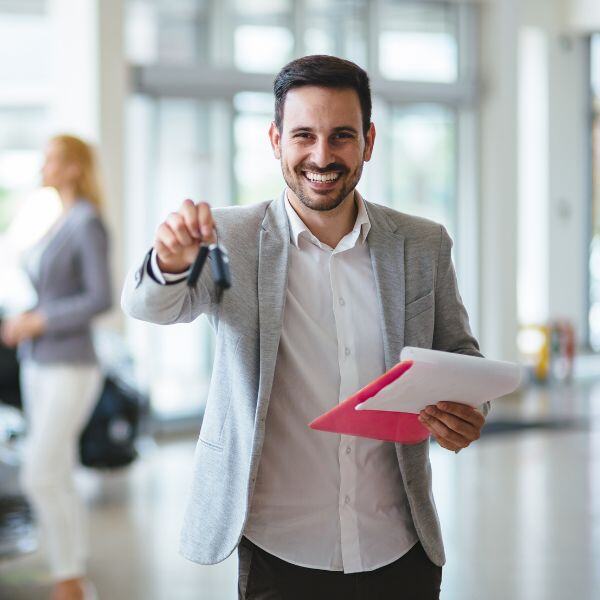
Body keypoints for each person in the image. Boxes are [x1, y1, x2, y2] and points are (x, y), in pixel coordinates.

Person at [122, 55, 487, 600]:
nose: (322, 155)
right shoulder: (231, 237)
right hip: (279, 550)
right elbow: (150, 305)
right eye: (303, 135)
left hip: (399, 548)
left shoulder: (422, 243)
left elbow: (459, 355)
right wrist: (170, 260)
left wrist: (470, 412)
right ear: (275, 140)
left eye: (342, 136)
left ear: (369, 140)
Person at [1, 134, 112, 600]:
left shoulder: (87, 222)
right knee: (59, 471)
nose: (43, 166)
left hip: (70, 364)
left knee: (39, 472)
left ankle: (68, 577)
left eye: (51, 159)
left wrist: (38, 321)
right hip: (39, 363)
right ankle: (72, 571)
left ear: (72, 167)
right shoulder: (56, 218)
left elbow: (100, 298)